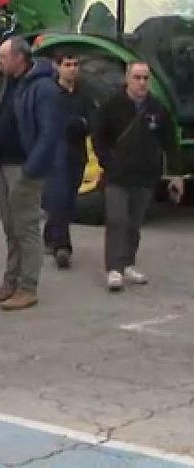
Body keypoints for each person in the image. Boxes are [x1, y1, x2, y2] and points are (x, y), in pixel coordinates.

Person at [0, 39, 64, 311]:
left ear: (19, 58)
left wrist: (31, 170)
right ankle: (10, 282)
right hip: (5, 163)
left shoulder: (43, 88)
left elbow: (49, 133)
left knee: (26, 228)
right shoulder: (11, 81)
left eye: (3, 56)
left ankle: (27, 287)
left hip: (24, 167)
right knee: (10, 228)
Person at [92, 61, 185, 292]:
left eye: (145, 78)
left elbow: (170, 143)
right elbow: (98, 137)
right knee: (117, 220)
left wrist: (176, 175)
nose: (142, 83)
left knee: (134, 224)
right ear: (127, 78)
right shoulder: (112, 105)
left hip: (145, 177)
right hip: (117, 176)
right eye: (137, 77)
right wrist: (108, 163)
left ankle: (128, 264)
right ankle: (113, 269)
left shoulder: (157, 108)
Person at [43, 52, 94, 269]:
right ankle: (62, 247)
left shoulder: (83, 95)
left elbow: (92, 119)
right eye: (67, 65)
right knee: (60, 197)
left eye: (75, 64)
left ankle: (49, 233)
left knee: (69, 199)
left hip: (77, 152)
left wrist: (82, 124)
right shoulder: (51, 94)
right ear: (58, 67)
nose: (72, 69)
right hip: (57, 153)